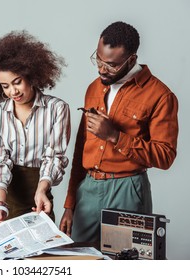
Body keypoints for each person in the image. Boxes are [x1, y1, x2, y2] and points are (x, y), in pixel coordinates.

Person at [60, 21, 179, 242]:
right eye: (98, 60)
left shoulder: (160, 95)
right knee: (79, 260)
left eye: (111, 65)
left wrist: (115, 136)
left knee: (125, 264)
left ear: (131, 59)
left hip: (128, 189)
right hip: (88, 188)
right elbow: (80, 148)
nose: (101, 69)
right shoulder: (94, 87)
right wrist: (69, 204)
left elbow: (165, 156)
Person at [0, 31, 71, 228]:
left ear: (31, 75)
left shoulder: (57, 109)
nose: (13, 91)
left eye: (17, 82)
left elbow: (54, 157)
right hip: (3, 199)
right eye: (5, 86)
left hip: (40, 196)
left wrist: (42, 189)